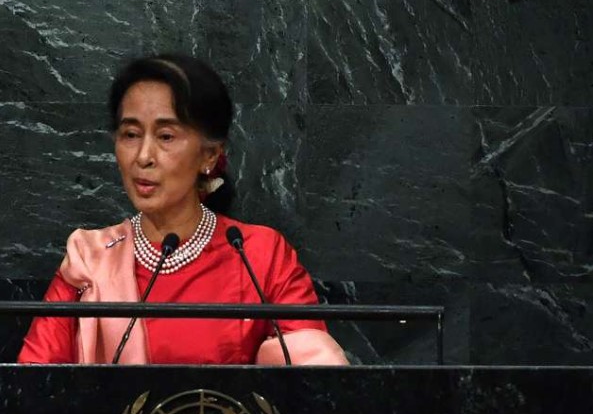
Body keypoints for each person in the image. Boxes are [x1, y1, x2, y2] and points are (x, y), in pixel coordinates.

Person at [17, 54, 348, 365]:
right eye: (130, 134)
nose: (143, 156)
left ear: (209, 156)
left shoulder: (260, 255)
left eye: (165, 136)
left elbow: (315, 378)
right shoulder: (89, 260)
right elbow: (28, 385)